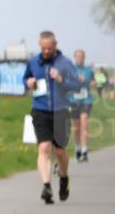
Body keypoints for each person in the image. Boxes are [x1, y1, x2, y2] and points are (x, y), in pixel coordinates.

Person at [24, 32, 82, 204]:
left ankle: (64, 178)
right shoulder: (33, 62)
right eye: (43, 48)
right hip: (40, 110)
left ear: (55, 45)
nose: (46, 51)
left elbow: (77, 85)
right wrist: (28, 82)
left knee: (60, 151)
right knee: (43, 148)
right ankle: (46, 185)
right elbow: (25, 78)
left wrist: (61, 79)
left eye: (49, 48)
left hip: (60, 110)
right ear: (40, 46)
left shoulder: (65, 63)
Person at [68, 48, 95, 162]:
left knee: (84, 124)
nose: (79, 58)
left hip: (86, 101)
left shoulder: (89, 70)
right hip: (74, 101)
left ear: (84, 58)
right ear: (75, 58)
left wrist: (92, 83)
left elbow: (93, 82)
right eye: (77, 56)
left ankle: (85, 151)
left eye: (81, 56)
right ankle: (78, 148)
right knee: (76, 127)